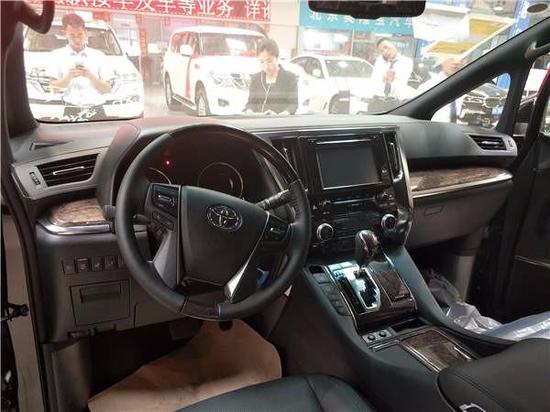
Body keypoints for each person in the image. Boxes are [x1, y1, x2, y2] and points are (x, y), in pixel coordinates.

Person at [49, 13, 115, 121]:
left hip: (96, 110)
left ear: (86, 33)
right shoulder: (56, 56)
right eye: (72, 35)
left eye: (80, 35)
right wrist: (68, 77)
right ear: (65, 33)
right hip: (71, 110)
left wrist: (90, 76)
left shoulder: (99, 56)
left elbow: (107, 89)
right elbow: (53, 89)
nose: (77, 40)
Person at [245, 39, 298, 115]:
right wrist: (250, 111)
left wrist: (281, 115)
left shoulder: (290, 78)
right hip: (258, 120)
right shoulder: (255, 79)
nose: (266, 66)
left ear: (277, 58)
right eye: (262, 62)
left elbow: (293, 105)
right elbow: (250, 103)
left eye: (269, 61)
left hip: (279, 120)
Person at [419, 57, 465, 123]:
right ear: (442, 61)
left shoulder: (472, 88)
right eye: (451, 58)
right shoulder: (428, 87)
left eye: (462, 58)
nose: (456, 62)